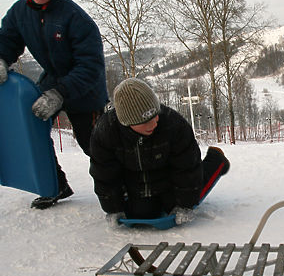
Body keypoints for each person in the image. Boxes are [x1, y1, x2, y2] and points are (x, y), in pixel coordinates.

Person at [0, 0, 108, 209]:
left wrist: (60, 93)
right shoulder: (20, 12)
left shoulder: (74, 17)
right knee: (32, 129)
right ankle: (53, 184)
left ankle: (118, 190)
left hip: (85, 87)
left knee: (94, 145)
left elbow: (91, 65)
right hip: (52, 79)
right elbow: (6, 40)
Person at [89, 78, 230, 225]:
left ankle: (216, 160)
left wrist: (185, 204)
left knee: (185, 199)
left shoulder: (173, 125)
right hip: (134, 179)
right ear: (127, 122)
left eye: (156, 114)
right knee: (142, 212)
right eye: (145, 121)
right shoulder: (106, 133)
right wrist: (113, 207)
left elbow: (187, 168)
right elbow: (104, 174)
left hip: (169, 176)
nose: (155, 122)